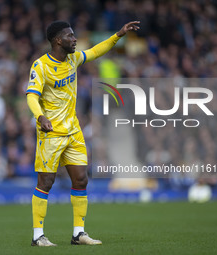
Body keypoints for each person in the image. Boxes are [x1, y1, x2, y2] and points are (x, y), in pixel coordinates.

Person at [26, 20, 140, 246]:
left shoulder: (74, 59)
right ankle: (37, 235)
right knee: (45, 182)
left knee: (81, 179)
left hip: (73, 132)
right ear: (58, 40)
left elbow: (96, 51)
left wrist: (118, 35)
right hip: (51, 133)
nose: (74, 39)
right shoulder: (40, 66)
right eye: (70, 36)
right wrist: (41, 116)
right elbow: (31, 95)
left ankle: (78, 233)